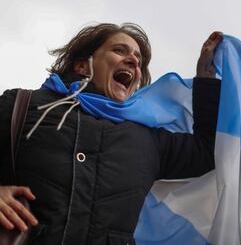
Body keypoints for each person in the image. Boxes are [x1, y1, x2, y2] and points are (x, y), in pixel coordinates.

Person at [0, 23, 222, 244]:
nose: (134, 61)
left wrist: (206, 79)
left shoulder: (149, 141)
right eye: (119, 50)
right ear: (82, 66)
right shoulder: (21, 105)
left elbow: (209, 151)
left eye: (139, 60)